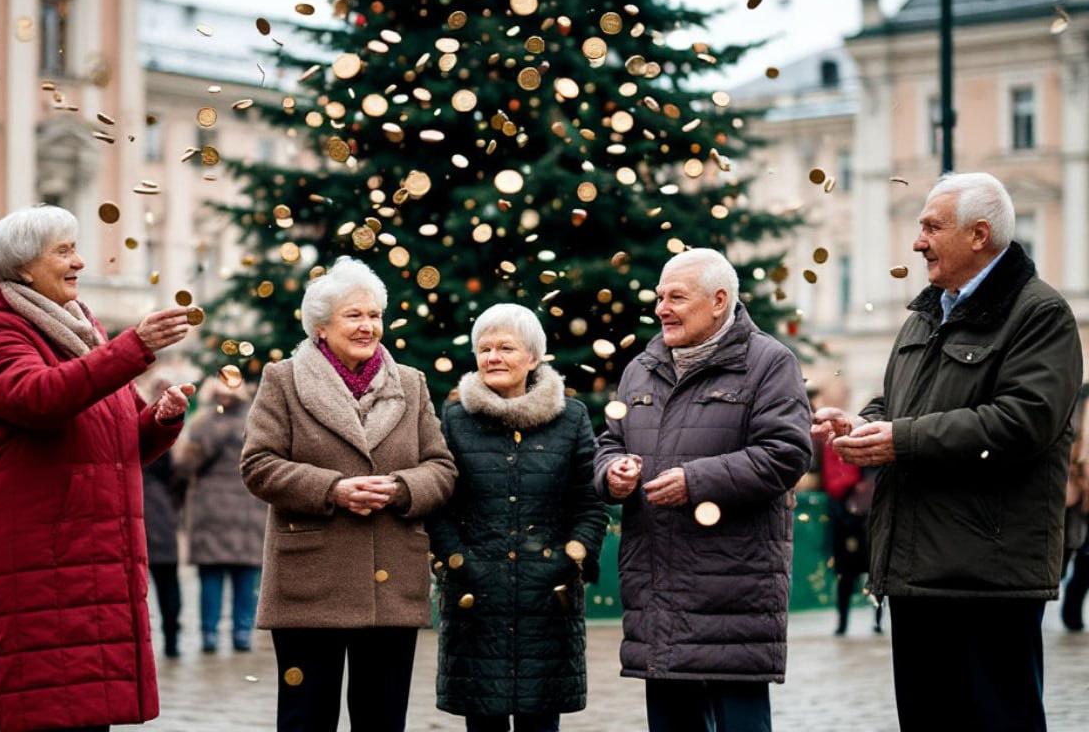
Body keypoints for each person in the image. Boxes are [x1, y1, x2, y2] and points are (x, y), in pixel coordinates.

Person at [813, 173, 1083, 732]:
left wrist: (901, 440)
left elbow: (1023, 421)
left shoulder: (1039, 314)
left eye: (931, 227)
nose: (918, 242)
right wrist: (864, 427)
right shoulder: (923, 315)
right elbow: (894, 402)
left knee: (997, 719)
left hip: (986, 572)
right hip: (916, 568)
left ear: (979, 234)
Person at [0, 205, 195, 732]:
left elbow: (112, 445)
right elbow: (39, 399)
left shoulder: (80, 329)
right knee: (55, 712)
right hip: (44, 558)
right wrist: (133, 346)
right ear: (23, 268)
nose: (80, 262)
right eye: (64, 252)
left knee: (90, 713)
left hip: (91, 557)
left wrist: (158, 420)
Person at [594, 249, 812, 732]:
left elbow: (787, 453)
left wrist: (696, 482)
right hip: (657, 592)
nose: (661, 308)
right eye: (659, 297)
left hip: (731, 596)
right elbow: (609, 442)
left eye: (676, 297)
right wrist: (612, 472)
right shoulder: (641, 368)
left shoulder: (770, 362)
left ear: (719, 301)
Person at [240, 256, 457, 732]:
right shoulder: (284, 380)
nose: (368, 326)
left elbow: (442, 468)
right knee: (305, 720)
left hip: (390, 581)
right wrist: (332, 489)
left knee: (382, 720)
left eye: (374, 315)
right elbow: (258, 466)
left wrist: (402, 489)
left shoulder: (411, 383)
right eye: (354, 316)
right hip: (311, 581)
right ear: (321, 327)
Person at [428, 304, 609, 732]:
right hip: (476, 596)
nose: (493, 357)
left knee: (541, 719)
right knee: (483, 720)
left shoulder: (571, 417)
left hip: (548, 596)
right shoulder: (455, 420)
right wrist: (460, 563)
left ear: (533, 357)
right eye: (484, 348)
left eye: (506, 347)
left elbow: (590, 500)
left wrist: (570, 560)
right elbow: (438, 505)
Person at [178, 377, 265, 654]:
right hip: (249, 511)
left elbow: (187, 465)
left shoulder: (203, 424)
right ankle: (242, 633)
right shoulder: (255, 422)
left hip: (211, 511)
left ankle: (210, 634)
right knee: (245, 576)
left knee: (212, 576)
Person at [813, 380, 882, 636]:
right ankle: (843, 623)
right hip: (839, 509)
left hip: (862, 511)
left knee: (871, 570)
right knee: (845, 571)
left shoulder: (858, 424)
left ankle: (875, 620)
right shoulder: (822, 437)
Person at [141, 376, 187, 658]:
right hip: (160, 513)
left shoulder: (138, 423)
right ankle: (171, 640)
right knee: (167, 581)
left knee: (162, 582)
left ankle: (167, 639)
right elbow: (178, 478)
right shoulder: (162, 432)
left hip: (149, 512)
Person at [1060, 388, 1089, 631]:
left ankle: (1072, 613)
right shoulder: (1080, 397)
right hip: (1075, 484)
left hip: (1080, 483)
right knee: (1068, 547)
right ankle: (1070, 611)